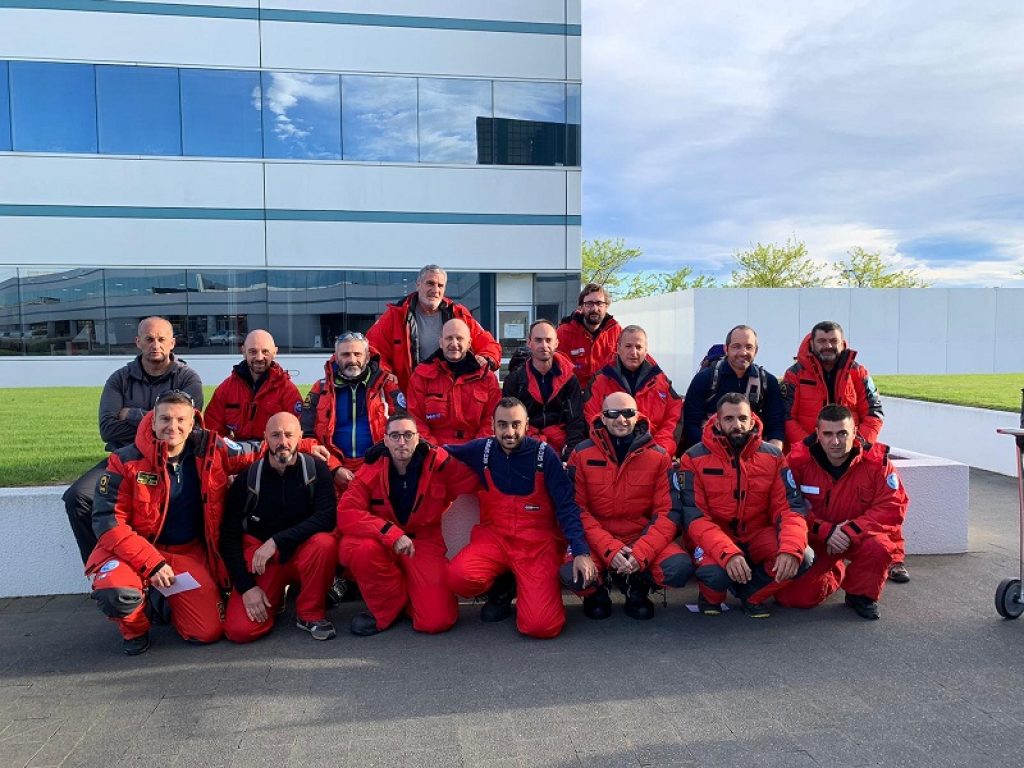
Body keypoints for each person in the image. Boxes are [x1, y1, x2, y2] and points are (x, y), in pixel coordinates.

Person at [86, 391, 257, 655]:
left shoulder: (212, 450)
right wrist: (152, 563)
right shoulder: (124, 460)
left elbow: (261, 450)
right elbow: (108, 523)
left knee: (207, 632)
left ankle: (160, 602)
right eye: (165, 419)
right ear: (153, 421)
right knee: (115, 591)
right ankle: (135, 630)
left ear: (192, 423)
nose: (172, 426)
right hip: (133, 552)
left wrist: (305, 446)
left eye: (180, 420)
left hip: (185, 553)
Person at [445, 398, 597, 639]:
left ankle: (526, 586)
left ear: (527, 425)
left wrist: (580, 551)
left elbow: (567, 507)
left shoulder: (545, 456)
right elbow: (439, 453)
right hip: (495, 539)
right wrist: (395, 449)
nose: (509, 432)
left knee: (541, 627)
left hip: (537, 546)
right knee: (458, 578)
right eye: (502, 425)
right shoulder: (481, 450)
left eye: (516, 424)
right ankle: (504, 585)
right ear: (493, 425)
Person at [63, 316, 204, 564]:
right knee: (77, 497)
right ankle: (106, 566)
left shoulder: (187, 379)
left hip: (171, 460)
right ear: (138, 342)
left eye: (161, 339)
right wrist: (156, 423)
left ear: (172, 343)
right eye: (149, 339)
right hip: (124, 458)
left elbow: (186, 428)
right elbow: (108, 429)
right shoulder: (119, 379)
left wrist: (131, 414)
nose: (155, 345)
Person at [336, 412, 481, 636]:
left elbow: (475, 480)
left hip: (423, 543)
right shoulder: (372, 467)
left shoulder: (438, 463)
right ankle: (387, 610)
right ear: (385, 440)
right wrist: (390, 533)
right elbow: (346, 512)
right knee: (358, 548)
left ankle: (408, 599)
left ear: (418, 437)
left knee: (437, 621)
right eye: (395, 436)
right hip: (383, 543)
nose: (402, 442)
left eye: (407, 435)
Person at [782, 321, 906, 582]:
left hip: (853, 446)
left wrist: (859, 444)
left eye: (833, 341)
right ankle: (823, 557)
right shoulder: (795, 374)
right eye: (822, 341)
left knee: (877, 496)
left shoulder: (858, 371)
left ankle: (894, 558)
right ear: (812, 343)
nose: (827, 346)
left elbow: (874, 412)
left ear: (842, 342)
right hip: (812, 450)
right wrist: (813, 446)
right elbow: (787, 417)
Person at [675, 393, 808, 618]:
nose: (737, 425)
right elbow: (695, 517)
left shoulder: (774, 456)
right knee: (715, 574)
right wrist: (728, 553)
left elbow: (790, 509)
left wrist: (790, 548)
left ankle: (752, 595)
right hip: (714, 535)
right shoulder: (692, 457)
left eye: (742, 418)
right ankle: (710, 597)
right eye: (729, 419)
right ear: (717, 422)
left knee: (802, 556)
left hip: (757, 533)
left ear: (752, 419)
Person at [566, 392, 692, 620]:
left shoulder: (659, 457)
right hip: (597, 539)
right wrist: (609, 550)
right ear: (602, 418)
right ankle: (597, 590)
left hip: (639, 536)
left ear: (637, 416)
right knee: (570, 572)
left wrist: (641, 553)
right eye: (613, 413)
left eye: (628, 413)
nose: (621, 419)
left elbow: (667, 512)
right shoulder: (581, 455)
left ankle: (637, 586)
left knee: (678, 567)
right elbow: (577, 510)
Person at [775, 405, 908, 619]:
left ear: (854, 432)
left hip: (859, 536)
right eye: (828, 434)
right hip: (818, 538)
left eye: (842, 433)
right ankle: (836, 571)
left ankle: (860, 595)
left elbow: (892, 507)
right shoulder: (798, 461)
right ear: (818, 433)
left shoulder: (878, 463)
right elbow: (785, 506)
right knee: (793, 598)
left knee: (879, 548)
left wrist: (849, 531)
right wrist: (824, 530)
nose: (835, 441)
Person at [220, 412, 339, 643]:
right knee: (240, 630)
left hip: (303, 554)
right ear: (265, 437)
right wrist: (246, 588)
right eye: (275, 435)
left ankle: (310, 613)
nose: (282, 442)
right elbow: (229, 536)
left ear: (300, 437)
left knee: (324, 544)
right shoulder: (248, 479)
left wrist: (276, 541)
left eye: (288, 435)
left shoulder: (316, 470)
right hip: (266, 563)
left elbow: (326, 518)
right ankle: (275, 597)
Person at [367, 264, 501, 393]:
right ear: (418, 285)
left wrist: (486, 357)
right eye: (430, 283)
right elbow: (372, 348)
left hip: (451, 392)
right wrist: (385, 373)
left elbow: (488, 344)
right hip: (409, 393)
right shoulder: (395, 316)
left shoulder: (459, 315)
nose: (435, 290)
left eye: (440, 285)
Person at [301, 331, 405, 489]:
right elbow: (306, 435)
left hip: (378, 470)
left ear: (367, 357)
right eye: (345, 355)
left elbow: (404, 430)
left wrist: (375, 468)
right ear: (336, 357)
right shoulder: (320, 389)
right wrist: (333, 468)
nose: (352, 360)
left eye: (357, 354)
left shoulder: (386, 386)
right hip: (333, 473)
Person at [682, 325, 784, 452]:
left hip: (753, 455)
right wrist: (711, 454)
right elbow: (690, 425)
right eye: (736, 346)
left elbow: (776, 426)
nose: (743, 352)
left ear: (756, 351)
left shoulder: (768, 382)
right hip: (711, 453)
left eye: (749, 347)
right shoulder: (705, 379)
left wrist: (773, 456)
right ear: (726, 349)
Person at [584, 324, 683, 455]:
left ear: (646, 350)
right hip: (610, 455)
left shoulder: (662, 382)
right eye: (628, 346)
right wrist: (613, 449)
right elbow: (592, 420)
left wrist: (658, 450)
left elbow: (673, 418)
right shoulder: (599, 382)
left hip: (653, 454)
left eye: (638, 347)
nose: (633, 352)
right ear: (618, 348)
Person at [407, 318, 501, 445]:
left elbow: (491, 419)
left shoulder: (486, 378)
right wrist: (435, 451)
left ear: (469, 343)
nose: (454, 343)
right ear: (441, 342)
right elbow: (416, 421)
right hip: (435, 449)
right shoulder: (421, 376)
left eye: (459, 338)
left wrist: (477, 448)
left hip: (476, 448)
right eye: (449, 338)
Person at [501, 319, 586, 459]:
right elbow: (507, 421)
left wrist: (569, 456)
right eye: (538, 340)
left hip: (560, 447)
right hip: (525, 445)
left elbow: (576, 422)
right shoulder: (515, 380)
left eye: (548, 340)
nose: (544, 345)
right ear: (529, 343)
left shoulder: (569, 380)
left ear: (556, 343)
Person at [204, 329, 303, 441]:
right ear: (243, 351)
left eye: (265, 352)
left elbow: (297, 435)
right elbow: (212, 429)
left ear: (275, 352)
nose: (259, 358)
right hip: (238, 450)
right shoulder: (227, 389)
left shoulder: (287, 391)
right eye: (253, 352)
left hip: (274, 450)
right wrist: (227, 444)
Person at [556, 283, 622, 390]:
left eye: (599, 303)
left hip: (607, 394)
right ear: (581, 307)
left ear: (606, 307)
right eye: (589, 304)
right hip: (575, 394)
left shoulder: (616, 331)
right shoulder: (564, 332)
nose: (595, 308)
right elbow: (556, 369)